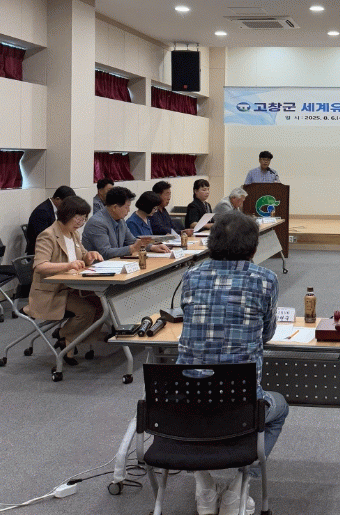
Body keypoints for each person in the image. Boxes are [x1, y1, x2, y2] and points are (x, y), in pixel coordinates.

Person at [176, 211, 288, 515]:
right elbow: (267, 334)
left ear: (210, 244)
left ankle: (204, 485)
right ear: (254, 248)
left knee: (198, 410)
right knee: (279, 407)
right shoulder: (265, 279)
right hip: (241, 406)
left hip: (185, 404)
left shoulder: (191, 276)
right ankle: (240, 484)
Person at [28, 196, 103, 366]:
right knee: (87, 310)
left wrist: (89, 256)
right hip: (51, 292)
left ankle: (69, 337)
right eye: (78, 218)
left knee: (101, 304)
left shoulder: (73, 234)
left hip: (71, 287)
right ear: (66, 214)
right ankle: (67, 338)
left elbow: (82, 255)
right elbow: (40, 266)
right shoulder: (47, 235)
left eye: (84, 218)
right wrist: (68, 265)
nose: (81, 222)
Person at [82, 186, 169, 260]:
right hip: (98, 268)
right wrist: (132, 248)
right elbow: (105, 253)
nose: (129, 210)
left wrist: (152, 247)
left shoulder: (120, 220)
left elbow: (131, 240)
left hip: (115, 263)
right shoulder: (97, 223)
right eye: (127, 207)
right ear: (115, 207)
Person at [26, 186, 76, 255]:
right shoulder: (42, 212)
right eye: (65, 204)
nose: (67, 207)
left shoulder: (56, 209)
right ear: (57, 199)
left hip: (53, 246)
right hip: (41, 251)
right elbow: (43, 237)